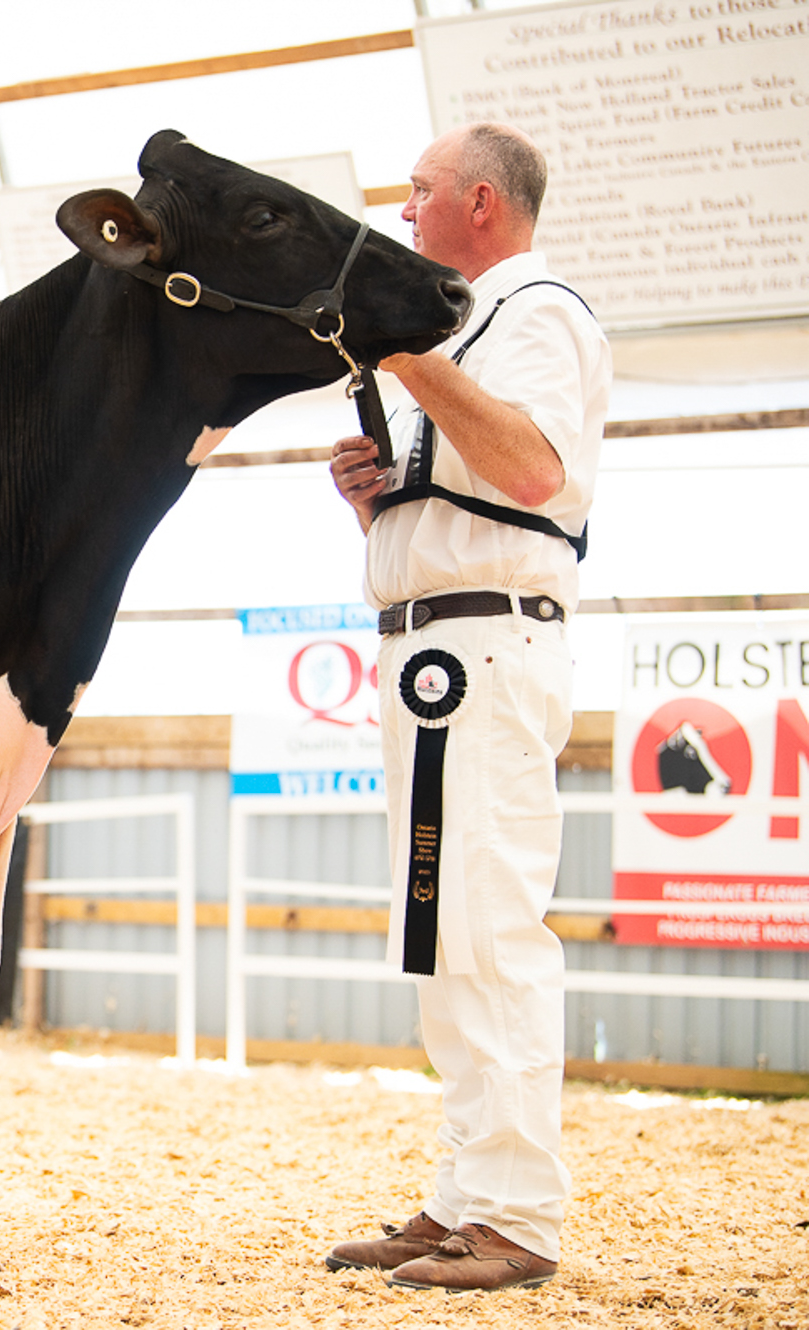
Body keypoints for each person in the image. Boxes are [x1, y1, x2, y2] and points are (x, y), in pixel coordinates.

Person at [323, 122, 610, 1292]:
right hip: (431, 647)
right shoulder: (468, 330)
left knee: (487, 924)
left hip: (483, 647)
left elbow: (534, 469)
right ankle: (463, 1194)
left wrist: (406, 358)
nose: (404, 209)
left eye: (420, 190)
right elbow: (478, 490)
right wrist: (378, 502)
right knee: (441, 932)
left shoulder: (534, 313)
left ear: (480, 202)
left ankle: (516, 1215)